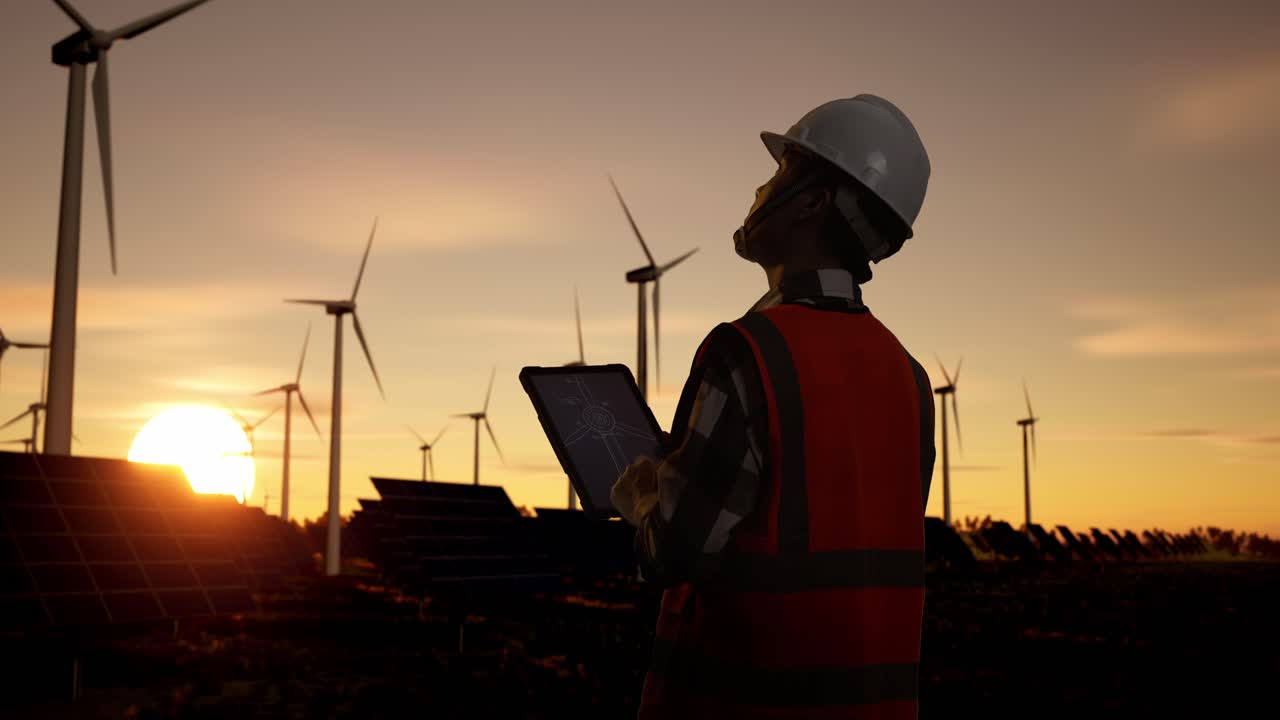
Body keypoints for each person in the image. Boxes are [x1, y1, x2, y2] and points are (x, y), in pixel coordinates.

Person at [610, 94, 937, 719]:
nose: (759, 190)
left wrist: (639, 497)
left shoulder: (749, 354)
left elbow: (675, 550)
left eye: (778, 173)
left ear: (812, 202)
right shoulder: (910, 379)